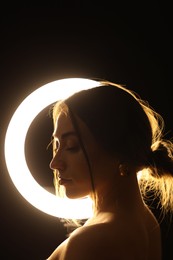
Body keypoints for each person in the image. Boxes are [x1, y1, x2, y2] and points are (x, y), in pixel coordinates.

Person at [47, 80, 173, 260]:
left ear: (118, 151)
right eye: (56, 145)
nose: (55, 163)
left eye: (72, 146)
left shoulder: (91, 241)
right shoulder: (145, 222)